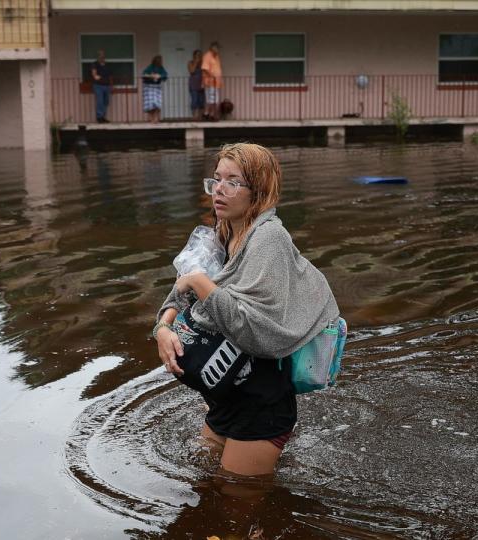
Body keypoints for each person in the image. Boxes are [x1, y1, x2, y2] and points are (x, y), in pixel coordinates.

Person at [153, 143, 340, 477]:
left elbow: (258, 330)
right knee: (205, 480)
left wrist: (200, 284)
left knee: (236, 498)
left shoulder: (269, 238)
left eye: (233, 182)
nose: (219, 191)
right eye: (216, 180)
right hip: (225, 393)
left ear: (259, 191)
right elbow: (177, 293)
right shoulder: (221, 233)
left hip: (260, 401)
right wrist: (163, 329)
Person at [141, 55, 168, 123]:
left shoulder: (161, 68)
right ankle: (151, 119)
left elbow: (165, 75)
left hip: (157, 87)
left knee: (157, 103)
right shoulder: (150, 67)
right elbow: (144, 74)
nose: (160, 62)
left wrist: (159, 76)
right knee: (150, 104)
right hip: (148, 87)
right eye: (159, 60)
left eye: (160, 61)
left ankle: (156, 119)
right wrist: (151, 76)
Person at [200, 42, 223, 121]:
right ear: (213, 48)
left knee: (215, 99)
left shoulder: (216, 56)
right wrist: (212, 75)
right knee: (211, 98)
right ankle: (210, 115)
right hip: (210, 81)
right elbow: (204, 68)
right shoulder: (207, 56)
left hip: (216, 82)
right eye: (217, 48)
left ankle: (208, 114)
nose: (218, 50)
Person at [90, 49, 111, 123]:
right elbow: (94, 73)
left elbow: (109, 75)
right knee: (100, 101)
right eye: (100, 55)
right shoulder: (95, 64)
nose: (102, 56)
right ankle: (99, 117)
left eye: (103, 55)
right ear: (98, 56)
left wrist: (111, 85)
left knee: (106, 102)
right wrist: (96, 76)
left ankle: (103, 117)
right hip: (98, 86)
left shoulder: (107, 65)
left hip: (107, 85)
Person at [187, 49, 205, 120]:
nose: (199, 56)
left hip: (201, 84)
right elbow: (192, 71)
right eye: (197, 55)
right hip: (193, 84)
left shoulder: (203, 63)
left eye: (200, 55)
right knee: (194, 100)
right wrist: (195, 63)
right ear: (194, 55)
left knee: (201, 101)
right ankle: (194, 116)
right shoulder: (190, 62)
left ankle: (200, 116)